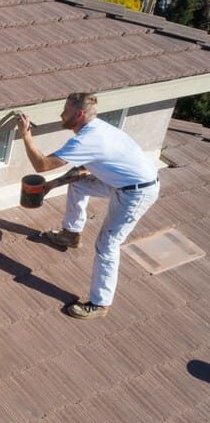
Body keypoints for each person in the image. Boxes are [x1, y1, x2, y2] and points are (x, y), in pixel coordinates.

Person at [16, 93, 159, 320]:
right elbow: (81, 170)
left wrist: (26, 135)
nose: (61, 114)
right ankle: (70, 234)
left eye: (66, 110)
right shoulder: (96, 129)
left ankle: (99, 303)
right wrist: (52, 185)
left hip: (136, 192)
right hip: (122, 182)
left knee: (107, 245)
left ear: (79, 114)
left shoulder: (88, 139)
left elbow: (41, 165)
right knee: (79, 185)